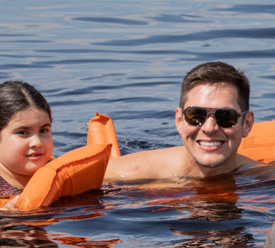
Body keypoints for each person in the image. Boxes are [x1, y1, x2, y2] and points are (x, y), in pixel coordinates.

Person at [104, 61, 256, 181]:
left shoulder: (263, 177)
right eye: (196, 115)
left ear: (247, 124)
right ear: (179, 120)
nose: (209, 128)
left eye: (225, 116)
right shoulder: (126, 174)